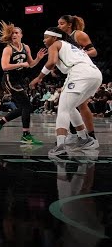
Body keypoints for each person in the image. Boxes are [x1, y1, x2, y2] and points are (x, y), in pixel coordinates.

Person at [29, 27, 101, 157]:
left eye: (46, 37)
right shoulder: (72, 46)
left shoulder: (55, 44)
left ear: (55, 37)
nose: (44, 40)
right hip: (95, 74)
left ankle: (61, 145)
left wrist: (38, 78)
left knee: (62, 108)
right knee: (70, 106)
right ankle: (85, 139)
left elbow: (51, 62)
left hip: (80, 73)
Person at [0, 21, 46, 145]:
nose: (14, 34)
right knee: (27, 106)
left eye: (16, 32)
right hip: (9, 80)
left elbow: (30, 65)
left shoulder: (26, 47)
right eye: (12, 33)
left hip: (18, 80)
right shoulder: (8, 49)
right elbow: (4, 67)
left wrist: (38, 59)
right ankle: (26, 135)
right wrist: (20, 64)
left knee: (24, 108)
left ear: (21, 35)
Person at [56, 14, 99, 148]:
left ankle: (90, 137)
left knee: (80, 105)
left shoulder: (78, 34)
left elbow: (94, 51)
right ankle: (78, 135)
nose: (59, 26)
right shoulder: (61, 39)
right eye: (58, 24)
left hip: (84, 71)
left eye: (61, 23)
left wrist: (82, 52)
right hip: (73, 73)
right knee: (71, 104)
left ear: (69, 25)